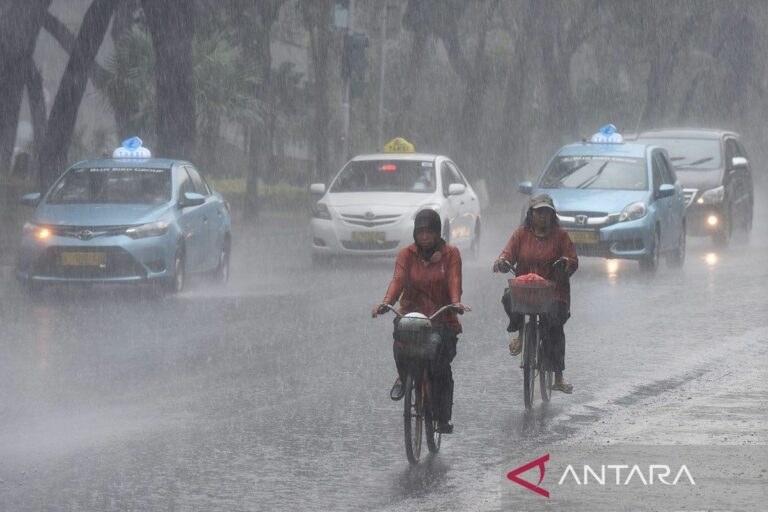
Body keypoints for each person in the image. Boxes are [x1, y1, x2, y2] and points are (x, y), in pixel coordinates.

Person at [372, 209, 470, 434]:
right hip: (411, 316)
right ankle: (404, 377)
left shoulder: (451, 254)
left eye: (430, 232)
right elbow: (397, 280)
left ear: (438, 233)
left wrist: (456, 302)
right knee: (400, 345)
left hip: (442, 318)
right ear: (415, 234)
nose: (425, 236)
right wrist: (386, 303)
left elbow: (455, 280)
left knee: (441, 368)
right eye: (421, 232)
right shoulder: (406, 254)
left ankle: (442, 418)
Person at [492, 193, 578, 393]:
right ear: (531, 214)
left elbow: (572, 261)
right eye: (539, 212)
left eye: (547, 212)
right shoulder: (520, 235)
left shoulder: (561, 236)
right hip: (525, 290)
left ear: (552, 215)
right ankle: (521, 336)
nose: (542, 216)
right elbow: (507, 255)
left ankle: (558, 376)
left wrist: (566, 263)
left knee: (554, 327)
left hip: (554, 293)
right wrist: (502, 263)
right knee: (507, 297)